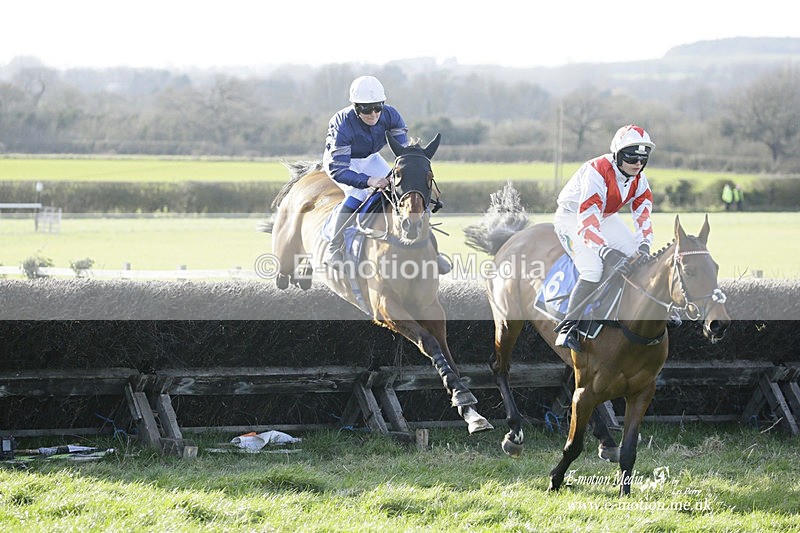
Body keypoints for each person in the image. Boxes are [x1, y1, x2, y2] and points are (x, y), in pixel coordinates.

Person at [322, 75, 450, 273]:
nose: (373, 114)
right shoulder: (343, 123)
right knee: (357, 194)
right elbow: (338, 170)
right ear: (356, 106)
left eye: (377, 107)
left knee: (407, 191)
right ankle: (333, 248)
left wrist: (407, 174)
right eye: (366, 109)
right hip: (344, 163)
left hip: (371, 158)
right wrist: (369, 180)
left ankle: (433, 250)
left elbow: (403, 154)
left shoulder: (391, 115)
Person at [552, 124, 656, 352]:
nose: (637, 164)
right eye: (631, 158)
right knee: (593, 268)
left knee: (637, 258)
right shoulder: (597, 171)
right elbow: (587, 219)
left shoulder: (640, 178)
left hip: (606, 216)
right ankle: (567, 327)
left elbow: (643, 214)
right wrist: (605, 251)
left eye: (642, 159)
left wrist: (645, 244)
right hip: (573, 216)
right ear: (618, 155)